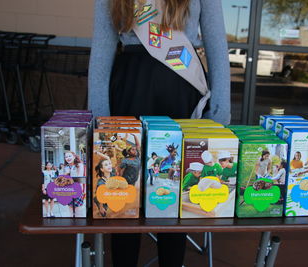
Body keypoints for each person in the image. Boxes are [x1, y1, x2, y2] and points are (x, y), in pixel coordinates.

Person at [89, 0, 230, 266]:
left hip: (182, 86)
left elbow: (217, 46)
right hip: (128, 88)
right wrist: (99, 121)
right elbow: (101, 51)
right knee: (123, 189)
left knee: (172, 189)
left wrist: (219, 115)